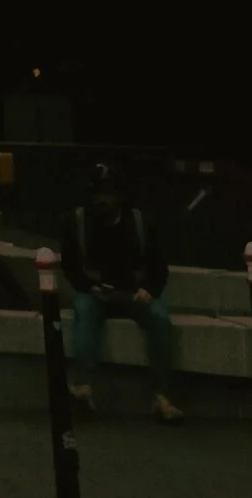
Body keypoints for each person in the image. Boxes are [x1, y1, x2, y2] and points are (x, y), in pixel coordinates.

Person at [61, 164, 182, 423]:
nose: (101, 200)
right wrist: (89, 286)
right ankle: (83, 386)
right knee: (84, 311)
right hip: (95, 292)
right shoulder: (77, 222)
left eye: (108, 193)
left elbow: (159, 267)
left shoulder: (139, 223)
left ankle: (161, 395)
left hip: (132, 292)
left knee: (160, 319)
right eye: (97, 194)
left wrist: (148, 291)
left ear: (119, 196)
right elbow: (70, 266)